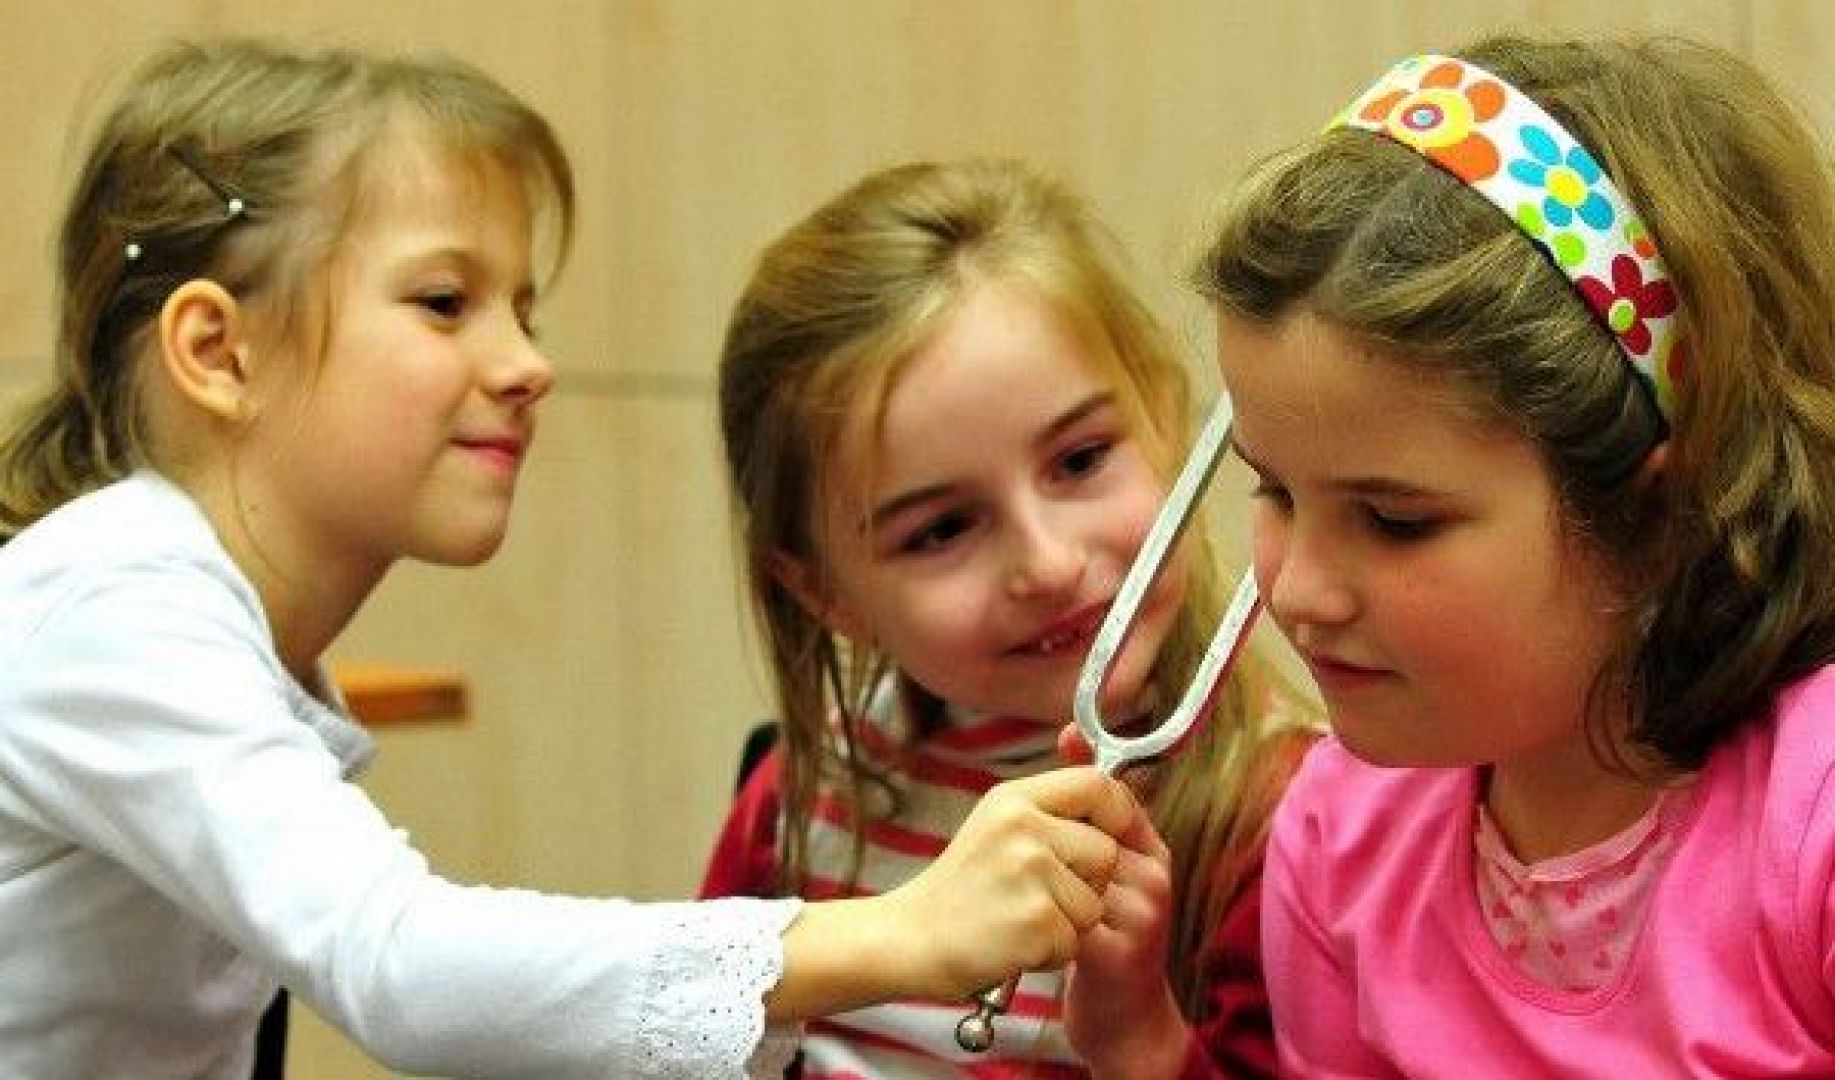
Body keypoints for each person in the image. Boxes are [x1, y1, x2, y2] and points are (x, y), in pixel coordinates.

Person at [0, 39, 1150, 1080]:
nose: (527, 366)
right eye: (445, 302)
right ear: (217, 352)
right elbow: (399, 968)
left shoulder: (178, 615)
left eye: (523, 313)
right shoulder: (115, 612)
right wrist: (903, 931)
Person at [1189, 33, 1835, 1076]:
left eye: (1392, 521)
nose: (1297, 591)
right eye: (1273, 491)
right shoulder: (1336, 836)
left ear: (1656, 510)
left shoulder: (1812, 827)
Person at [704, 157, 1316, 1080]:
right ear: (824, 593)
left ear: (1161, 413)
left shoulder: (1285, 827)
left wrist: (1143, 1043)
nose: (1048, 563)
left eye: (1079, 460)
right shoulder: (802, 796)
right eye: (942, 529)